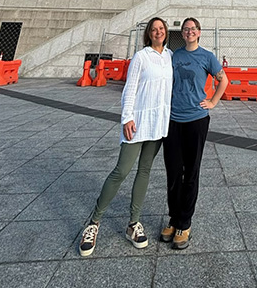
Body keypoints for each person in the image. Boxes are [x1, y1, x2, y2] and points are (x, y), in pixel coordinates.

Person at [79, 17, 172, 257]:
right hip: (138, 122)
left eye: (161, 29)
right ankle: (94, 222)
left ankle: (134, 223)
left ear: (166, 32)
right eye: (154, 29)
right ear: (149, 34)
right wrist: (127, 117)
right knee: (121, 170)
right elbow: (130, 88)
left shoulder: (170, 56)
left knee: (144, 171)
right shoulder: (142, 57)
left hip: (158, 123)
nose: (158, 32)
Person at [161, 17, 228, 249]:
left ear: (199, 32)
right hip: (172, 119)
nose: (189, 32)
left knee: (191, 171)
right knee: (172, 171)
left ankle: (184, 222)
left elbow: (223, 80)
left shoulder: (207, 56)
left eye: (192, 29)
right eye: (185, 29)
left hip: (196, 120)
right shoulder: (175, 55)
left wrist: (213, 101)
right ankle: (173, 217)